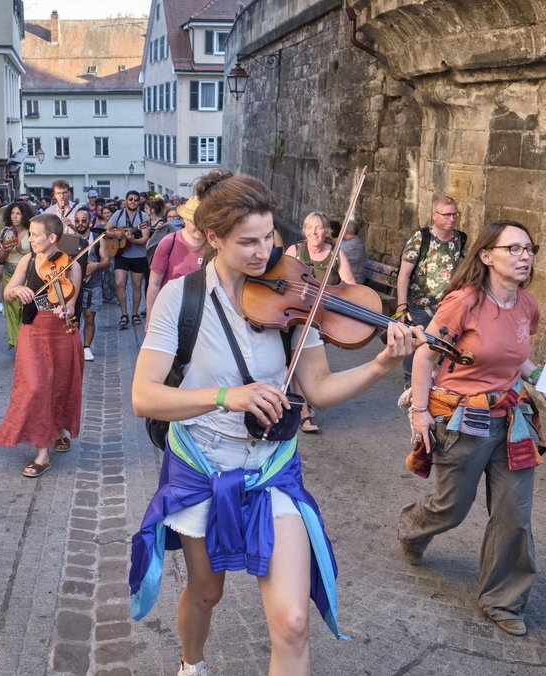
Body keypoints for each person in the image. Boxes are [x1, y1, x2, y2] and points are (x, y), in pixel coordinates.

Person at [128, 171, 424, 676]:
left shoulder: (298, 298)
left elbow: (320, 391)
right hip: (201, 465)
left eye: (269, 237)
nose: (264, 252)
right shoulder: (182, 298)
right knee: (205, 593)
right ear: (214, 238)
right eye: (247, 242)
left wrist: (380, 365)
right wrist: (226, 397)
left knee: (291, 623)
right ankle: (191, 665)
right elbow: (144, 397)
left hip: (270, 469)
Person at [400, 220, 546, 638]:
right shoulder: (464, 303)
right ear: (486, 255)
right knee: (451, 508)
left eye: (528, 248)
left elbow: (517, 362)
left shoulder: (527, 305)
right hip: (463, 423)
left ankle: (503, 599)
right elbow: (425, 356)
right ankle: (412, 529)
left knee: (514, 516)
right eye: (512, 248)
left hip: (513, 422)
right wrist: (420, 412)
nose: (523, 256)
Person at [0, 213, 84, 477]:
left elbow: (70, 303)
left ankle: (57, 430)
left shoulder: (72, 265)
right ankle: (42, 453)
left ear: (52, 238)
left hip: (61, 332)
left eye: (34, 235)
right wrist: (17, 291)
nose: (29, 239)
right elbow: (7, 290)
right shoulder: (28, 259)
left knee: (57, 385)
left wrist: (65, 310)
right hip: (33, 330)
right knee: (35, 386)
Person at [284, 212, 357, 434]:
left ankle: (302, 403)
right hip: (296, 314)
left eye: (319, 228)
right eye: (310, 228)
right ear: (305, 231)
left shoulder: (336, 255)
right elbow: (285, 282)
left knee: (303, 363)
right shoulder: (295, 252)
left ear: (327, 232)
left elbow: (350, 285)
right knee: (296, 361)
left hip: (322, 318)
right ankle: (304, 412)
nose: (314, 232)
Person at [397, 195, 467, 384]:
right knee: (418, 343)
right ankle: (410, 381)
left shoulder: (460, 238)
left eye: (455, 214)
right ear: (435, 216)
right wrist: (401, 306)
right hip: (419, 304)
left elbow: (467, 266)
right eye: (447, 215)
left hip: (446, 304)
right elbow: (403, 274)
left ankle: (441, 382)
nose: (452, 219)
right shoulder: (421, 238)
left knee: (446, 345)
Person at [146, 196, 206, 318]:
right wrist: (150, 319)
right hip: (171, 312)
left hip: (203, 314)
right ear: (185, 219)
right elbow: (154, 285)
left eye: (203, 221)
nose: (200, 226)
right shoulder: (168, 242)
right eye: (195, 221)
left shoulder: (214, 245)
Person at [70, 209, 111, 362]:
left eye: (84, 220)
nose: (80, 223)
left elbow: (106, 260)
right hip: (73, 286)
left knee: (89, 317)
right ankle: (73, 347)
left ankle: (86, 347)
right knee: (73, 318)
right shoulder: (70, 239)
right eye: (77, 220)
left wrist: (96, 265)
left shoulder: (98, 239)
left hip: (92, 284)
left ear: (90, 221)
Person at [108, 189, 152, 328]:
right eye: (130, 199)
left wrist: (132, 241)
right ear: (126, 201)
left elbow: (145, 238)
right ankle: (124, 314)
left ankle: (135, 313)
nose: (133, 202)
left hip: (138, 255)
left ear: (139, 202)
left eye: (135, 199)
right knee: (119, 283)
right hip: (121, 254)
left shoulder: (144, 217)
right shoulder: (118, 214)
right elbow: (107, 229)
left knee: (137, 285)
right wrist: (116, 234)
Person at [0, 200, 36, 349]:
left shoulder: (30, 231)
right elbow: (1, 258)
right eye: (12, 213)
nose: (15, 217)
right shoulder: (5, 232)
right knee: (11, 310)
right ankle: (16, 342)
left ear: (24, 215)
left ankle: (24, 342)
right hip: (8, 272)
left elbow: (36, 254)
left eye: (18, 214)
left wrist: (20, 248)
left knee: (24, 309)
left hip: (27, 275)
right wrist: (7, 249)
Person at [340, 218, 368, 284]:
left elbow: (335, 257)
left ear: (346, 231)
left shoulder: (353, 244)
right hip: (348, 278)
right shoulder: (352, 241)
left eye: (342, 229)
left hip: (354, 281)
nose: (340, 231)